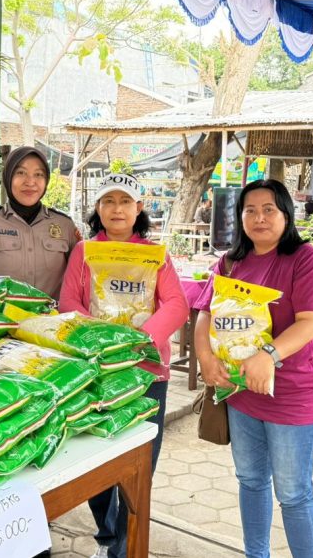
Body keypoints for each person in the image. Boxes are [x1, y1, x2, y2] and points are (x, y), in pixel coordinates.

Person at [192, 179, 313, 558]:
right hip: (242, 393)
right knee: (251, 480)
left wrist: (269, 354)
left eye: (269, 209)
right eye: (250, 210)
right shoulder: (230, 262)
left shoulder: (305, 260)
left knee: (293, 492)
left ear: (286, 214)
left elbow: (310, 321)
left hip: (292, 394)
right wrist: (206, 358)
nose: (259, 218)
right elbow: (205, 312)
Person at [58, 172, 188, 558]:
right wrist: (106, 341)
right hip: (97, 372)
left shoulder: (156, 255)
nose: (117, 209)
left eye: (125, 201)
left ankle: (125, 547)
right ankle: (107, 537)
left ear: (138, 208)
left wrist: (139, 341)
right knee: (96, 464)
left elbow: (176, 304)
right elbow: (69, 303)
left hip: (146, 372)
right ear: (98, 208)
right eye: (109, 201)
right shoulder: (84, 252)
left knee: (140, 464)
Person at [0, 146, 79, 299]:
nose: (30, 182)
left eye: (38, 174)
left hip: (53, 313)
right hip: (1, 313)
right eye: (21, 173)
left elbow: (81, 277)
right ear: (8, 176)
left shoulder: (65, 225)